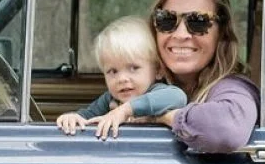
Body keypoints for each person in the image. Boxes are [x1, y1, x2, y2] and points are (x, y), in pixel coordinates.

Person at [150, 0, 258, 152]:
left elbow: (227, 131)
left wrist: (161, 115)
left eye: (198, 22)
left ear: (222, 32)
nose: (180, 34)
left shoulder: (234, 88)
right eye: (167, 20)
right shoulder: (140, 81)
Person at [55, 16, 187, 140]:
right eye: (113, 71)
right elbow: (87, 115)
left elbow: (178, 96)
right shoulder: (110, 99)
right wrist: (73, 118)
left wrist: (125, 110)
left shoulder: (157, 91)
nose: (122, 79)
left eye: (134, 68)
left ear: (158, 70)